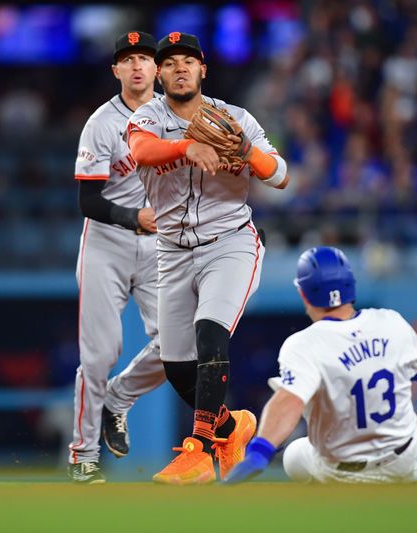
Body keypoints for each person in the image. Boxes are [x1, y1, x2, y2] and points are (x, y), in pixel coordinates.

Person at [126, 32, 290, 485]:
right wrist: (185, 147)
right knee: (178, 367)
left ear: (204, 70)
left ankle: (197, 453)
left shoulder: (237, 119)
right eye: (171, 62)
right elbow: (140, 151)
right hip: (173, 251)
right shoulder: (148, 117)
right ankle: (232, 428)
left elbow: (280, 175)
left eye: (189, 61)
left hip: (229, 242)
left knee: (210, 332)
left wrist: (247, 153)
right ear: (159, 74)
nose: (180, 68)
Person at [224, 246, 417, 484]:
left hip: (341, 469)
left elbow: (289, 401)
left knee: (294, 455)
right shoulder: (392, 322)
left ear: (304, 293)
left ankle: (399, 477)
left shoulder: (303, 343)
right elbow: (415, 375)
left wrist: (259, 452)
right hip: (403, 454)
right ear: (350, 285)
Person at [68, 31, 167, 484]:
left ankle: (118, 398)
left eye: (144, 58)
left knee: (180, 346)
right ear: (116, 70)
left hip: (158, 244)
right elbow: (88, 202)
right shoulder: (101, 123)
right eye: (128, 59)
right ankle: (84, 456)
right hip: (107, 241)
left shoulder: (177, 115)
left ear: (158, 67)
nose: (137, 66)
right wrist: (135, 218)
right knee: (99, 354)